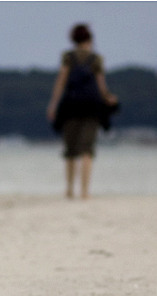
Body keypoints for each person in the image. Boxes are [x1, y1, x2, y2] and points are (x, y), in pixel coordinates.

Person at [47, 23, 119, 200]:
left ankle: (70, 189)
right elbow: (101, 86)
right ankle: (85, 191)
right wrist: (108, 98)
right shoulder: (96, 59)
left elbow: (61, 81)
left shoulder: (68, 57)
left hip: (71, 106)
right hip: (91, 107)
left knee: (70, 149)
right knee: (87, 149)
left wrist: (53, 104)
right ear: (89, 39)